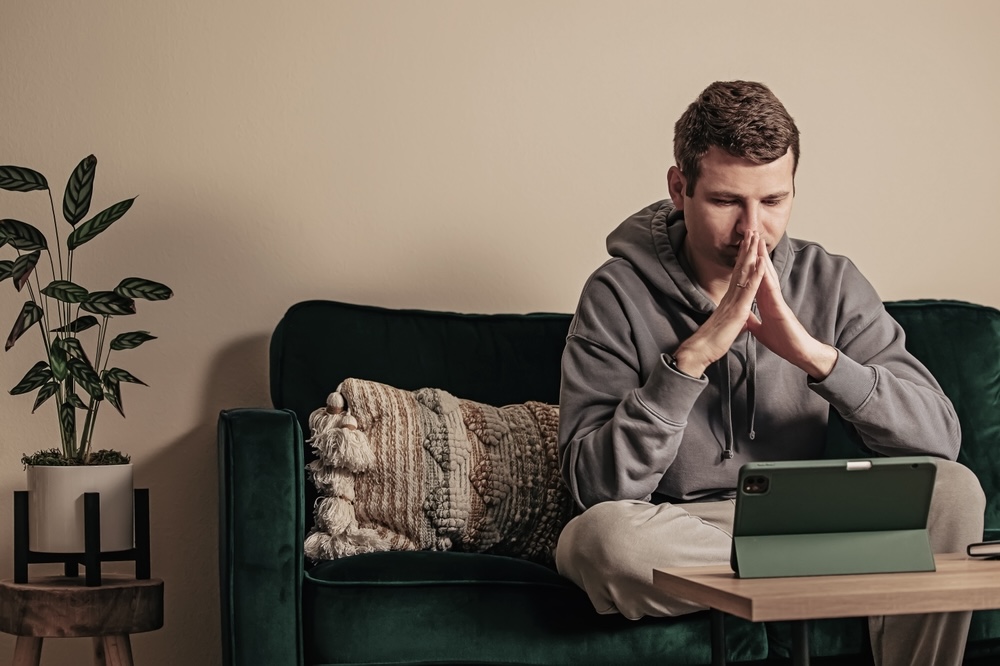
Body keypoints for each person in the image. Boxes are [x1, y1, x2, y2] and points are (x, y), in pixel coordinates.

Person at [554, 80, 985, 666]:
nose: (751, 229)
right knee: (599, 541)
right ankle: (810, 576)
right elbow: (596, 488)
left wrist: (815, 357)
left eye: (774, 201)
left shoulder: (830, 281)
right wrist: (691, 360)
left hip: (807, 517)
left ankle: (791, 574)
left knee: (955, 490)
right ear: (680, 189)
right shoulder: (615, 295)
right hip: (683, 524)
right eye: (728, 201)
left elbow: (941, 440)